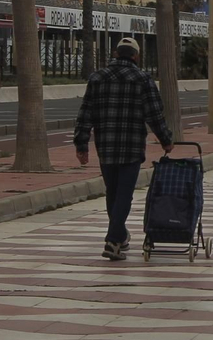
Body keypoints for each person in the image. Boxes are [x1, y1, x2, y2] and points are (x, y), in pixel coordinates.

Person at [73, 37, 172, 260]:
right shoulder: (142, 79)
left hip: (105, 147)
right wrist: (166, 140)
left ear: (116, 54)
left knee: (113, 192)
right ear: (136, 56)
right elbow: (155, 114)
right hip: (131, 146)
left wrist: (81, 144)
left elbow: (85, 114)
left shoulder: (97, 78)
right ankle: (113, 240)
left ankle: (118, 235)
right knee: (124, 194)